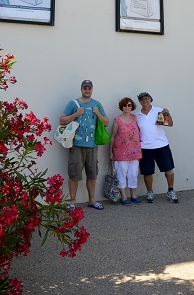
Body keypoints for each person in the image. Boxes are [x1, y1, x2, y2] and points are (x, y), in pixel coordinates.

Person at [59, 80, 109, 210]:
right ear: (81, 89)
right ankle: (72, 202)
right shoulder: (73, 103)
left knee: (92, 174)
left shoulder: (97, 104)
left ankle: (92, 200)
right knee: (74, 174)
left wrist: (98, 113)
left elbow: (106, 122)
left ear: (92, 90)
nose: (87, 90)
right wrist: (76, 114)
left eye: (89, 88)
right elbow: (62, 120)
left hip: (92, 146)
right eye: (85, 88)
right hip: (76, 145)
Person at [136, 92, 178, 204]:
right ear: (139, 102)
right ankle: (150, 192)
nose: (144, 101)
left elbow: (170, 124)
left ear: (151, 99)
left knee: (168, 168)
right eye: (142, 99)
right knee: (147, 171)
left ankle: (170, 190)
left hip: (161, 145)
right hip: (145, 147)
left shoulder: (159, 110)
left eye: (147, 98)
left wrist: (167, 114)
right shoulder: (137, 115)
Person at [109, 97, 142, 206]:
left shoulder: (135, 118)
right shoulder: (117, 120)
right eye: (125, 105)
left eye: (129, 105)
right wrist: (110, 152)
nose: (127, 107)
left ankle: (133, 195)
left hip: (134, 152)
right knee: (121, 174)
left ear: (132, 106)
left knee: (133, 174)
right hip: (120, 152)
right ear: (121, 107)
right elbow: (112, 137)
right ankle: (123, 196)